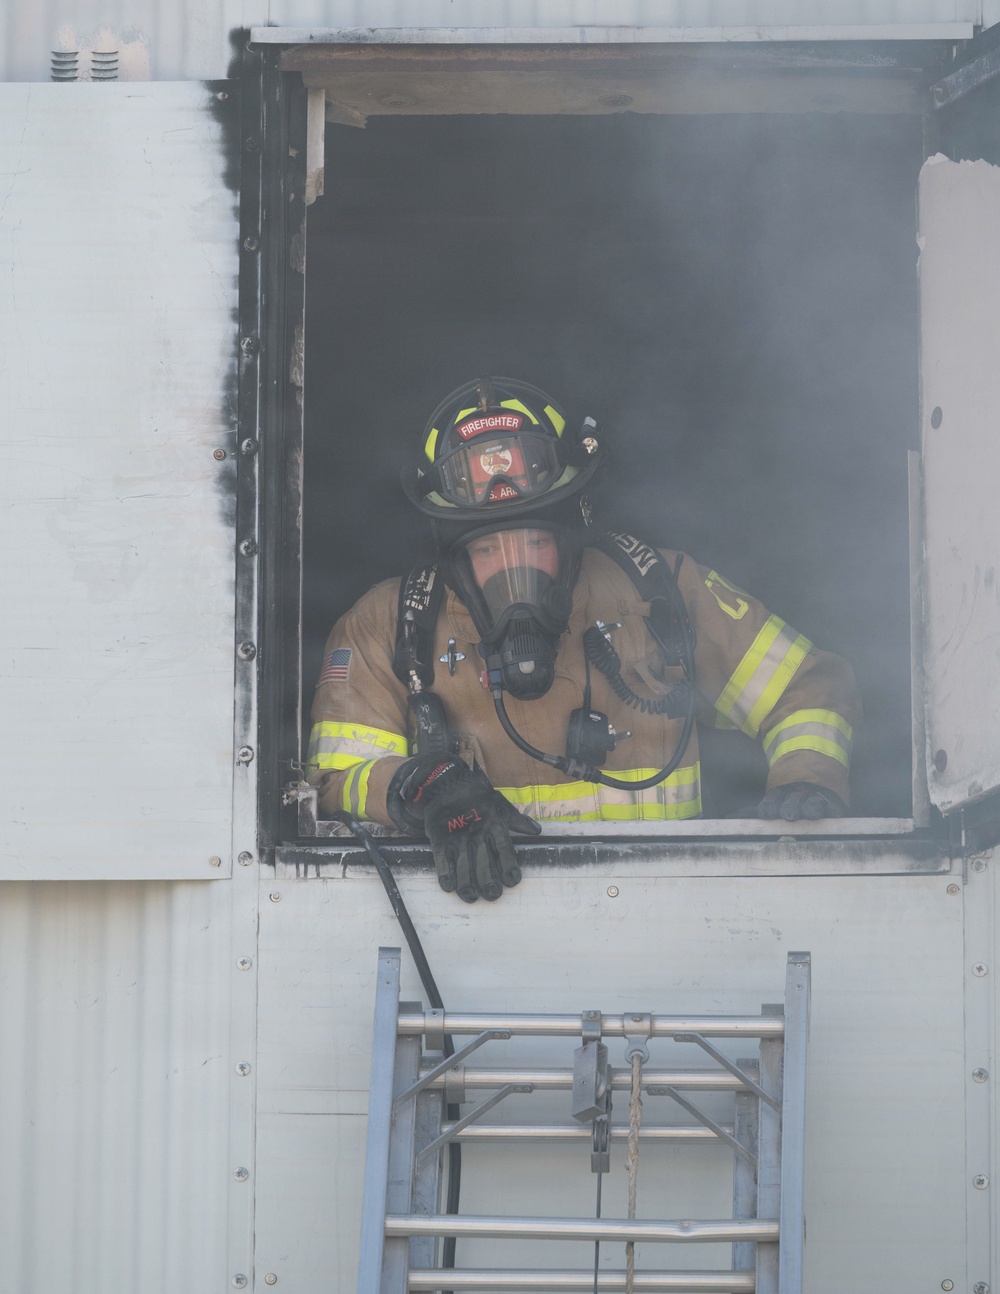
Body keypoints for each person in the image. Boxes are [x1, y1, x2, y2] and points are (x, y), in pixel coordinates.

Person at [307, 377, 861, 903]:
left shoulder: (660, 590)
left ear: (570, 534)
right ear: (452, 552)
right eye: (486, 551)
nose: (513, 570)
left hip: (673, 913)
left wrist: (806, 780)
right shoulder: (390, 624)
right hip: (475, 927)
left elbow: (805, 688)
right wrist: (420, 787)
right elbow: (334, 780)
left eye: (534, 543)